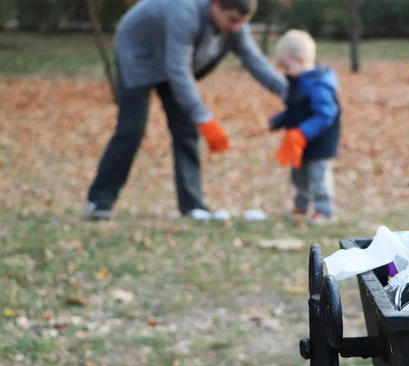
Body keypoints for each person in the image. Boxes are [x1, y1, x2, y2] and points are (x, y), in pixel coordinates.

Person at [86, 0, 287, 221]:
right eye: (232, 20)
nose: (236, 27)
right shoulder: (185, 13)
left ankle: (192, 206)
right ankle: (99, 200)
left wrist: (288, 94)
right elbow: (178, 70)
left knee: (186, 130)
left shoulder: (234, 25)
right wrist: (204, 117)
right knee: (131, 129)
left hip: (171, 59)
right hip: (138, 53)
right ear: (216, 5)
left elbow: (254, 60)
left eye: (242, 22)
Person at [268, 30, 341, 226]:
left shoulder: (319, 84)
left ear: (301, 61)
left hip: (319, 143)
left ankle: (324, 211)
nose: (284, 71)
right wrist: (280, 120)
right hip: (299, 143)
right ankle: (301, 206)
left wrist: (303, 132)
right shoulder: (298, 82)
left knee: (318, 177)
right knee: (298, 176)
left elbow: (326, 114)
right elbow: (297, 110)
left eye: (286, 66)